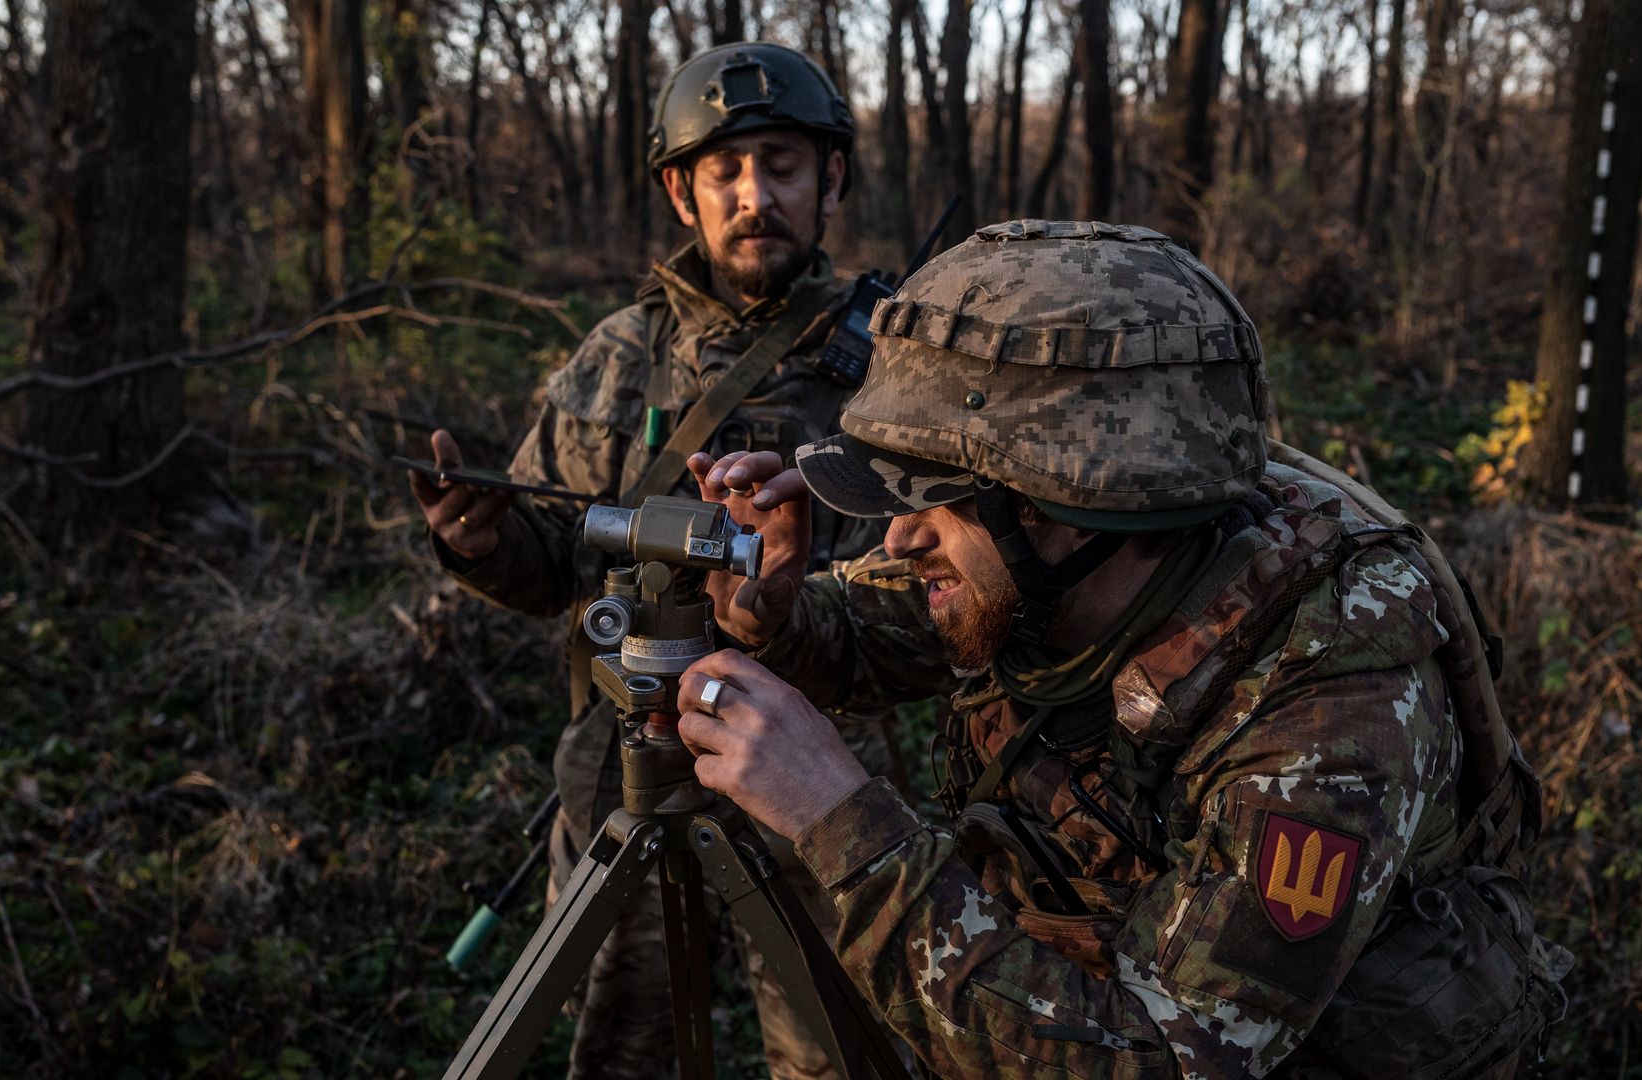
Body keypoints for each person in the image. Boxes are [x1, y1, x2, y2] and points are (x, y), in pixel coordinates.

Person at [671, 220, 1572, 1078]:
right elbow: (889, 627)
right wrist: (773, 617)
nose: (901, 539)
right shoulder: (1046, 569)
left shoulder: (1333, 705)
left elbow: (1163, 1059)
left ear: (1072, 514)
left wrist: (844, 821)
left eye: (936, 501)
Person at [409, 42, 897, 1080]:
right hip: (629, 760)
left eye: (782, 163)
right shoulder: (619, 354)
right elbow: (553, 566)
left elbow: (934, 582)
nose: (754, 194)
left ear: (832, 179)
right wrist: (480, 538)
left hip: (823, 764)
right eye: (723, 170)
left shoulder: (897, 363)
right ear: (682, 192)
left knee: (835, 1046)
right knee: (617, 1039)